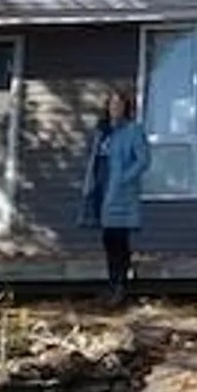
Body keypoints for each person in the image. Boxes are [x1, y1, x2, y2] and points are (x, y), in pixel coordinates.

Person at [79, 87, 149, 307]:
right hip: (102, 186)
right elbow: (95, 159)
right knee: (107, 238)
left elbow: (143, 160)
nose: (114, 108)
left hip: (120, 190)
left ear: (126, 108)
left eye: (119, 104)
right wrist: (90, 182)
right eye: (111, 104)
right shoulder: (103, 131)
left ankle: (120, 286)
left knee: (119, 237)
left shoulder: (134, 131)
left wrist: (124, 179)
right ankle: (111, 283)